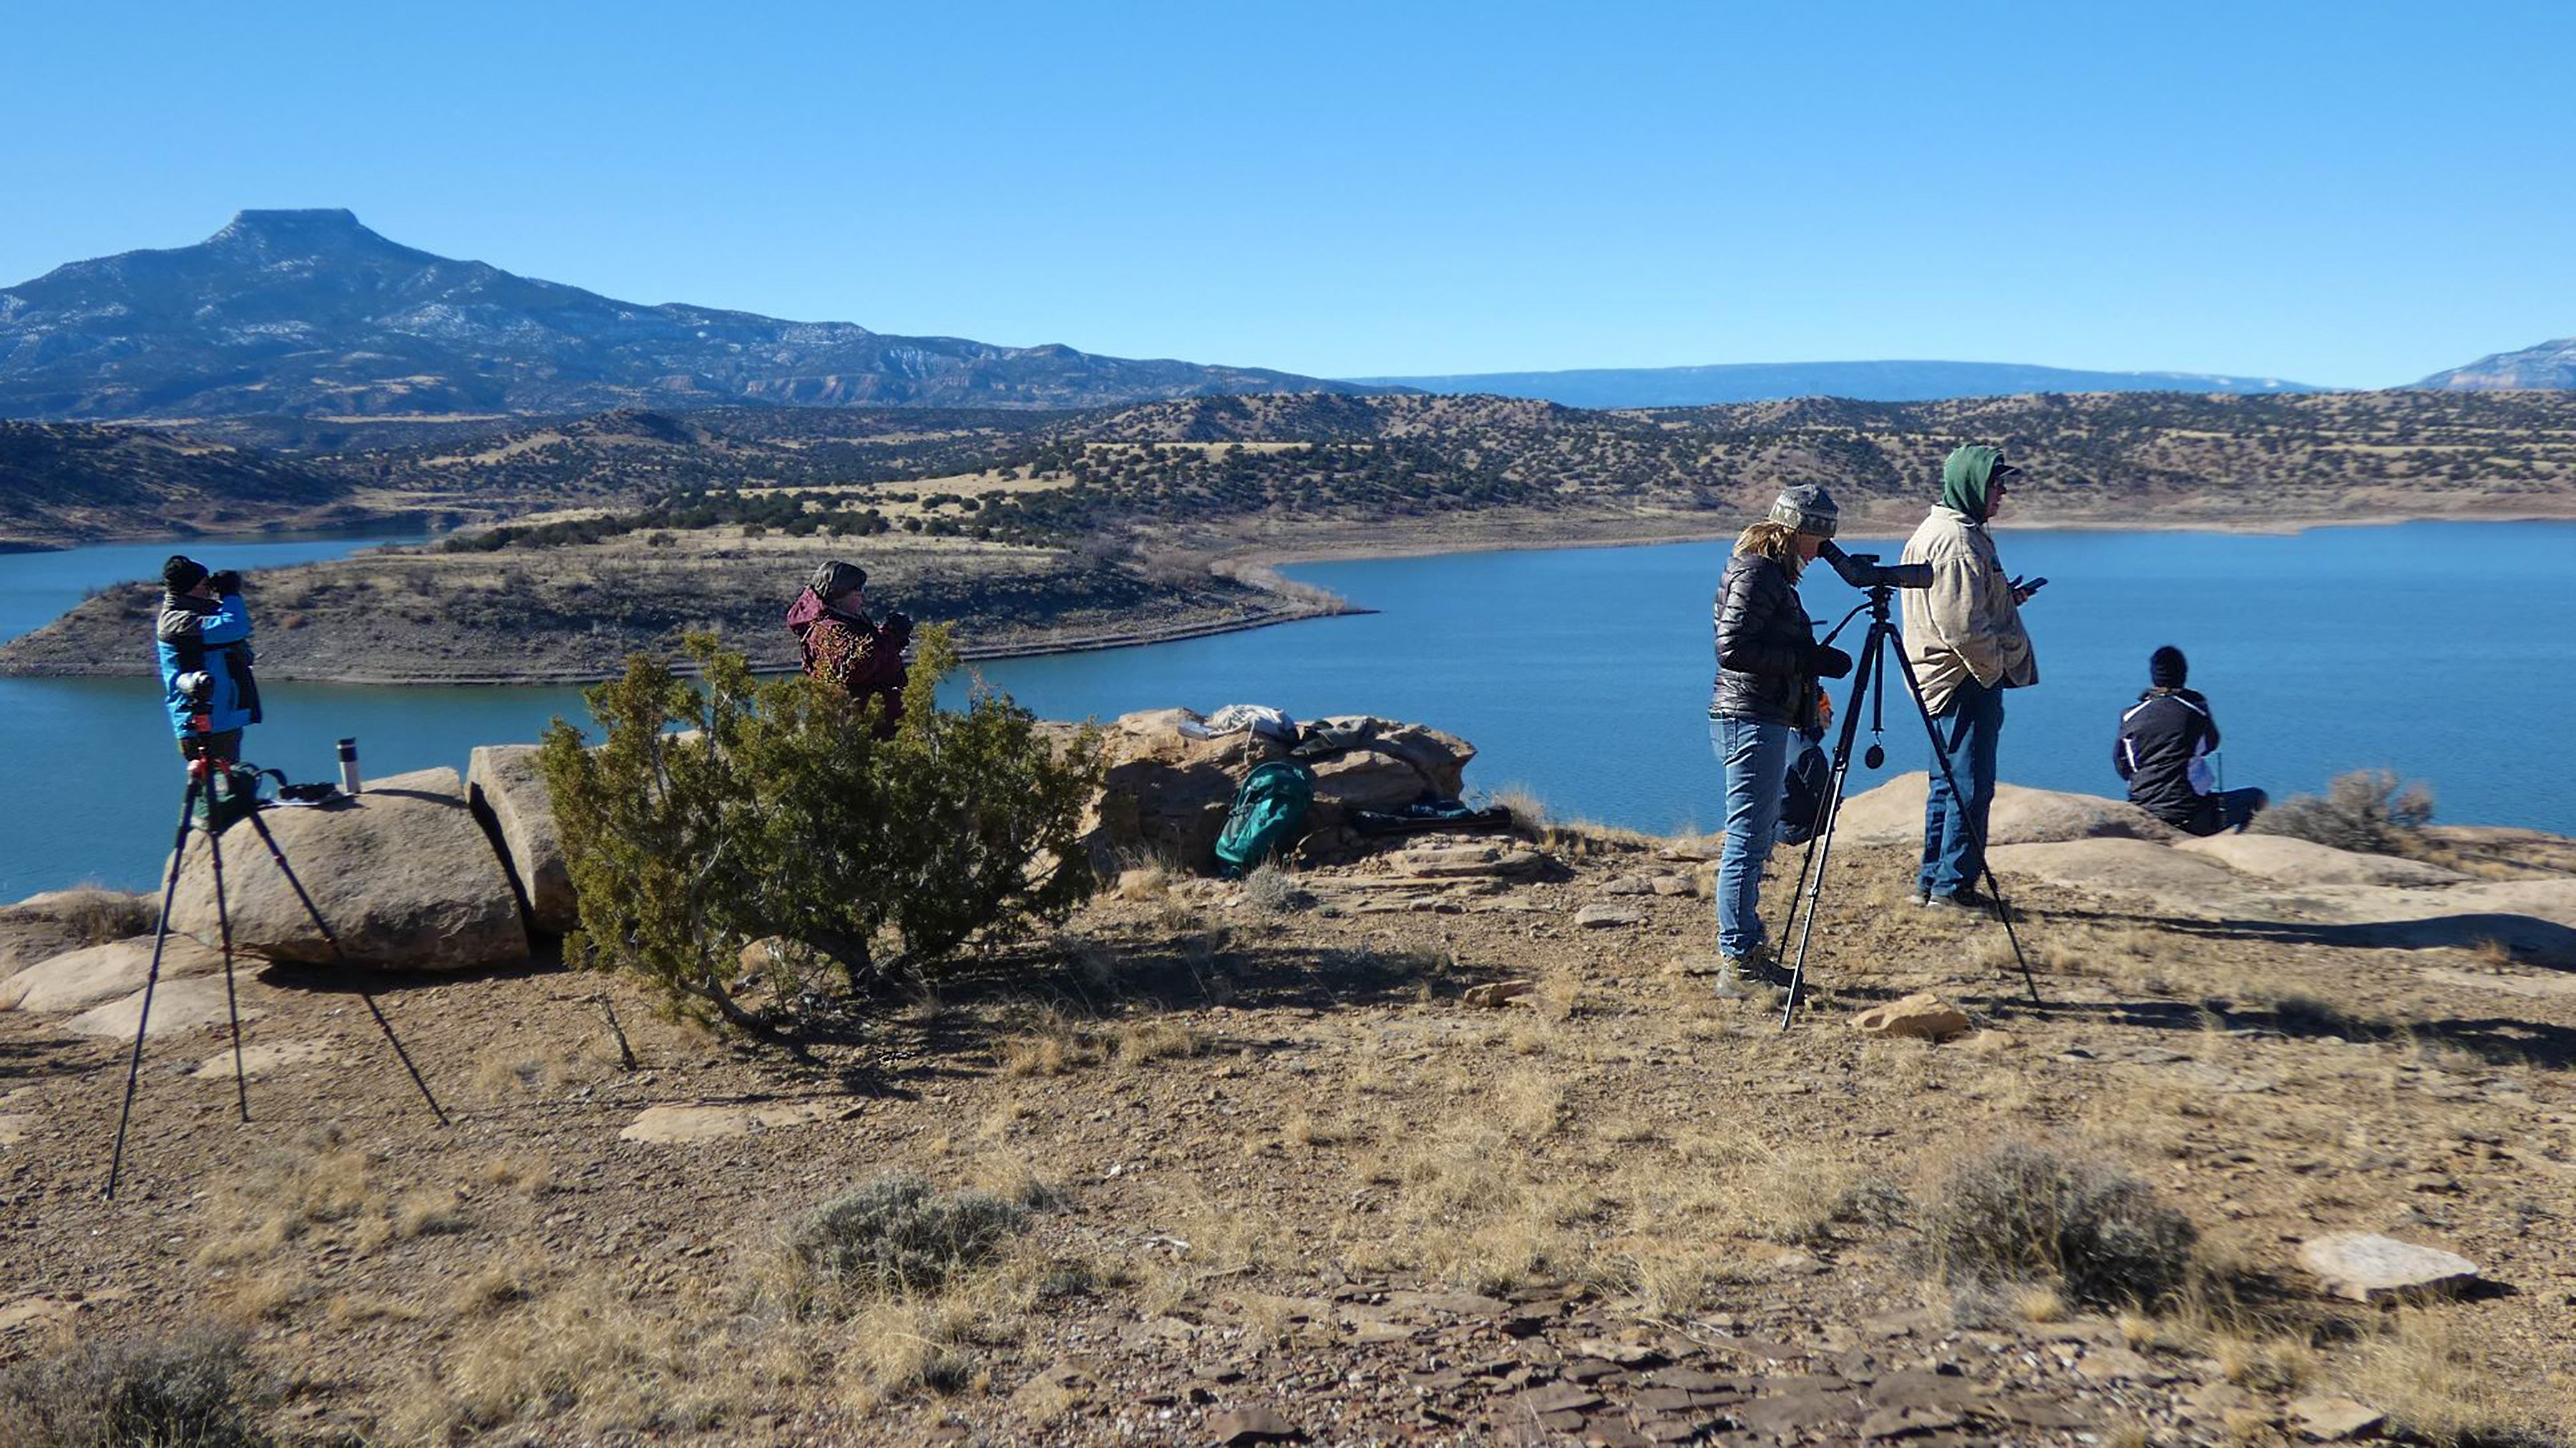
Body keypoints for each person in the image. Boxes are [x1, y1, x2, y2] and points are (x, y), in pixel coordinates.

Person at [1709, 483, 1852, 996]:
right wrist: (1805, 661)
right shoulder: (1757, 571)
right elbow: (1733, 647)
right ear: (1799, 532)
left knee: (1756, 835)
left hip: (1761, 714)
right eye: (1818, 540)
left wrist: (1808, 676)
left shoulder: (1768, 572)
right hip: (1750, 717)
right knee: (1747, 839)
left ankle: (1746, 950)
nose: (1819, 554)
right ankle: (1739, 960)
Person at [1899, 445, 2039, 911]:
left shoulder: (1946, 531)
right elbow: (1960, 626)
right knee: (1971, 785)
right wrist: (1993, 667)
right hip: (1963, 680)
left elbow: (1964, 606)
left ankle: (1932, 880)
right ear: (1973, 486)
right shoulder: (1958, 542)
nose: (2003, 494)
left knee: (1948, 783)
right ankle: (1952, 888)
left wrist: (2006, 599)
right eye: (1997, 485)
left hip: (1945, 677)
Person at [2114, 645, 2267, 835]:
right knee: (2257, 798)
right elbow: (2211, 744)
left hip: (2143, 809)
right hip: (2191, 815)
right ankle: (2237, 847)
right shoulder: (2195, 709)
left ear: (2154, 676)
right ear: (2184, 674)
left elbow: (2124, 768)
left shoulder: (2130, 716)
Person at [154, 555, 260, 773]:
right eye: (205, 584)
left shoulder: (197, 611)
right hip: (202, 723)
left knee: (227, 789)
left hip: (220, 718)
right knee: (218, 792)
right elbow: (234, 627)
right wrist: (230, 593)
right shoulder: (178, 621)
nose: (209, 588)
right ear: (191, 587)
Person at [786, 560, 912, 739]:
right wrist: (890, 636)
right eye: (858, 591)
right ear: (838, 594)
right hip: (860, 729)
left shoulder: (844, 622)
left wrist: (891, 639)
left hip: (871, 722)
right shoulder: (830, 629)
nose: (862, 596)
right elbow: (854, 667)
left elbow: (868, 657)